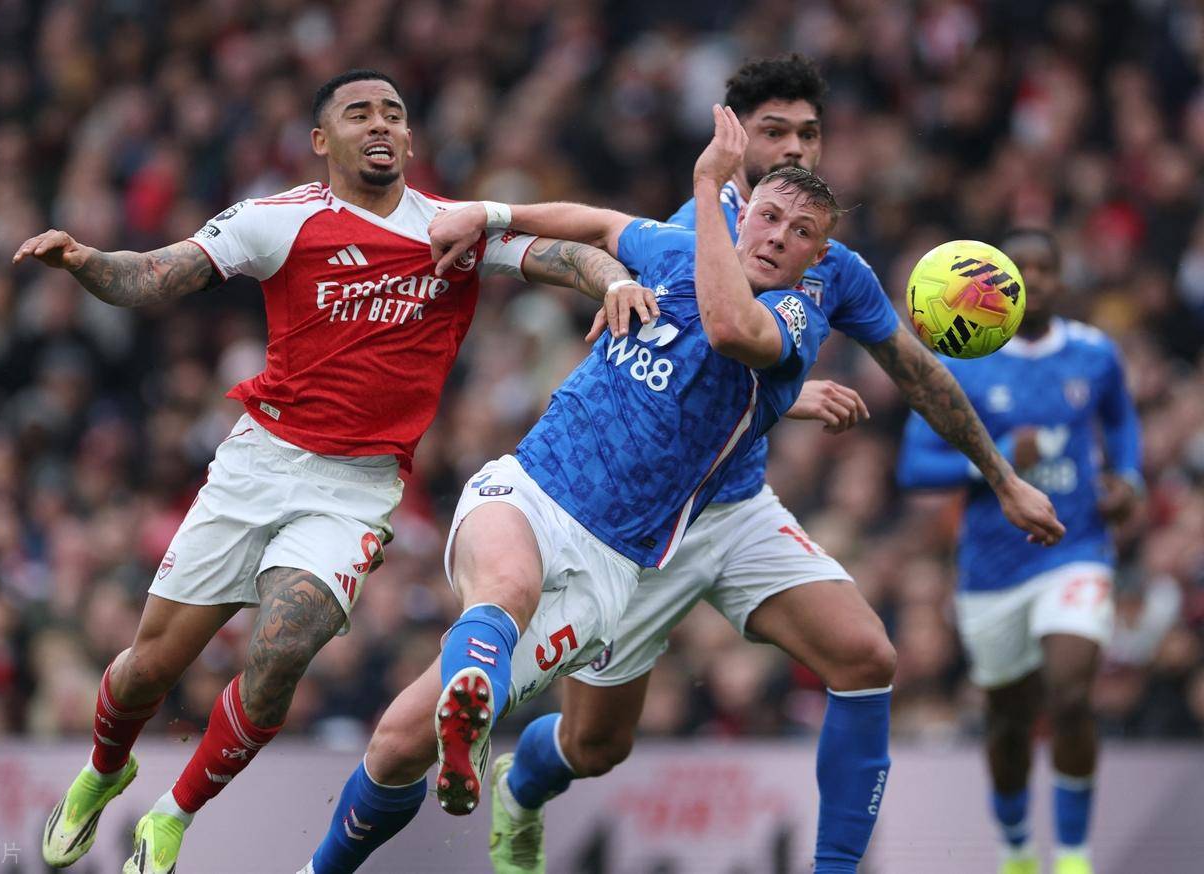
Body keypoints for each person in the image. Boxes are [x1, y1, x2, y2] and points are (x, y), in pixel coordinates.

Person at [428, 55, 1065, 874]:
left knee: (867, 656)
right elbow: (687, 325)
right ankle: (522, 784)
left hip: (735, 508)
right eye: (774, 132)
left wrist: (1001, 477)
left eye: (809, 133)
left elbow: (915, 369)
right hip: (638, 525)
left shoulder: (833, 267)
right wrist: (500, 223)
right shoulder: (696, 225)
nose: (795, 147)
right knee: (596, 746)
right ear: (732, 138)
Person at [14, 68, 651, 874]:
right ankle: (104, 771)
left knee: (284, 647)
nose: (380, 124)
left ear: (410, 138)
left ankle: (174, 813)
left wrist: (615, 279)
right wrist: (82, 260)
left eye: (394, 113)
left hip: (356, 489)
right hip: (259, 464)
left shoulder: (452, 229)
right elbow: (151, 276)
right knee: (151, 667)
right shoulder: (276, 220)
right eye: (359, 113)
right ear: (322, 140)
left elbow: (569, 255)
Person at [298, 105, 839, 874]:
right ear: (745, 214)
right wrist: (489, 214)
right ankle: (470, 701)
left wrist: (707, 181)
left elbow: (727, 329)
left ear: (817, 257)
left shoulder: (795, 317)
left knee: (394, 745)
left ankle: (466, 711)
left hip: (605, 569)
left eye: (801, 232)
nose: (779, 236)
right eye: (770, 216)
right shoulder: (675, 251)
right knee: (506, 588)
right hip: (528, 488)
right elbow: (596, 223)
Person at [898, 228, 1141, 874]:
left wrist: (1129, 478)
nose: (1035, 280)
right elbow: (914, 467)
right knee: (1008, 722)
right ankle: (1016, 850)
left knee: (1070, 696)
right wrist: (997, 460)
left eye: (1046, 267)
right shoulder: (961, 363)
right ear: (996, 286)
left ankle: (1074, 858)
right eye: (1020, 270)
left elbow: (1121, 420)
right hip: (992, 568)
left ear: (1063, 277)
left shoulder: (1094, 353)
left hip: (1075, 547)